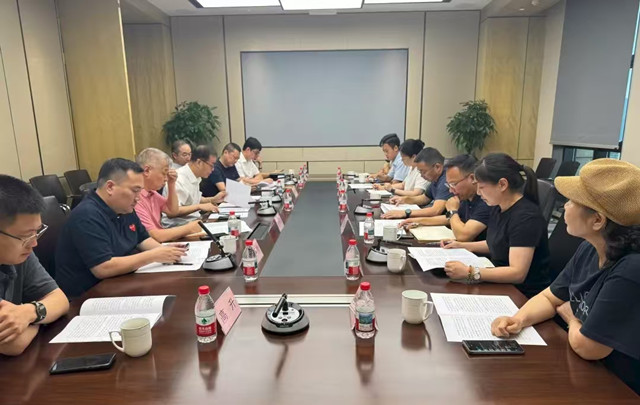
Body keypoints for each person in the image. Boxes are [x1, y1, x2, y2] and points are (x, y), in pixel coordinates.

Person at [491, 159, 640, 394]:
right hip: (584, 369)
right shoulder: (590, 247)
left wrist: (572, 318)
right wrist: (518, 320)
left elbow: (589, 347)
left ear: (598, 220)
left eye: (572, 201)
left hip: (618, 386)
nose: (565, 207)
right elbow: (550, 298)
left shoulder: (631, 268)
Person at [55, 159, 188, 298]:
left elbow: (142, 239)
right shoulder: (86, 215)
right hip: (89, 295)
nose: (138, 198)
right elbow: (103, 268)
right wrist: (154, 255)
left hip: (119, 282)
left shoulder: (124, 207)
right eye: (135, 191)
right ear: (110, 187)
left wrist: (167, 252)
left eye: (140, 191)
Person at [442, 153, 551, 298]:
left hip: (521, 294)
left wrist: (470, 272)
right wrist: (462, 245)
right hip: (500, 283)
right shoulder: (498, 206)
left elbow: (517, 273)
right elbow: (497, 243)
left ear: (502, 185)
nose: (478, 192)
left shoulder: (526, 218)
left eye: (482, 187)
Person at [0, 175, 69, 356]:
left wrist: (29, 312)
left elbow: (60, 300)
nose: (34, 243)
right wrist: (41, 319)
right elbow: (14, 344)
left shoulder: (20, 254)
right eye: (26, 236)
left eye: (36, 232)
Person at [400, 154, 490, 242]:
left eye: (453, 184)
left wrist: (452, 211)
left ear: (472, 178)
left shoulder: (485, 200)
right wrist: (417, 221)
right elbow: (449, 218)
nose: (450, 190)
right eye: (449, 185)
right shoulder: (466, 197)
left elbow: (463, 236)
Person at [135, 148, 204, 242]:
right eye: (164, 173)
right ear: (147, 171)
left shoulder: (152, 193)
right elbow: (155, 236)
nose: (166, 178)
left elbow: (172, 211)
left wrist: (171, 183)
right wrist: (188, 228)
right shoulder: (136, 198)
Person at [382, 147, 453, 219]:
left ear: (437, 167)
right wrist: (405, 199)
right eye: (420, 172)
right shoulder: (436, 178)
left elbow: (436, 210)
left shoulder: (447, 179)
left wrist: (405, 212)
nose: (421, 175)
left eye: (423, 171)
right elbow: (425, 198)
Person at [163, 145, 225, 227]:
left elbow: (192, 199)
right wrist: (199, 207)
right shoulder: (179, 179)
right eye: (212, 165)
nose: (213, 169)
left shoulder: (196, 176)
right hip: (177, 226)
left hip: (194, 221)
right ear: (199, 163)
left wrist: (213, 199)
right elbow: (173, 211)